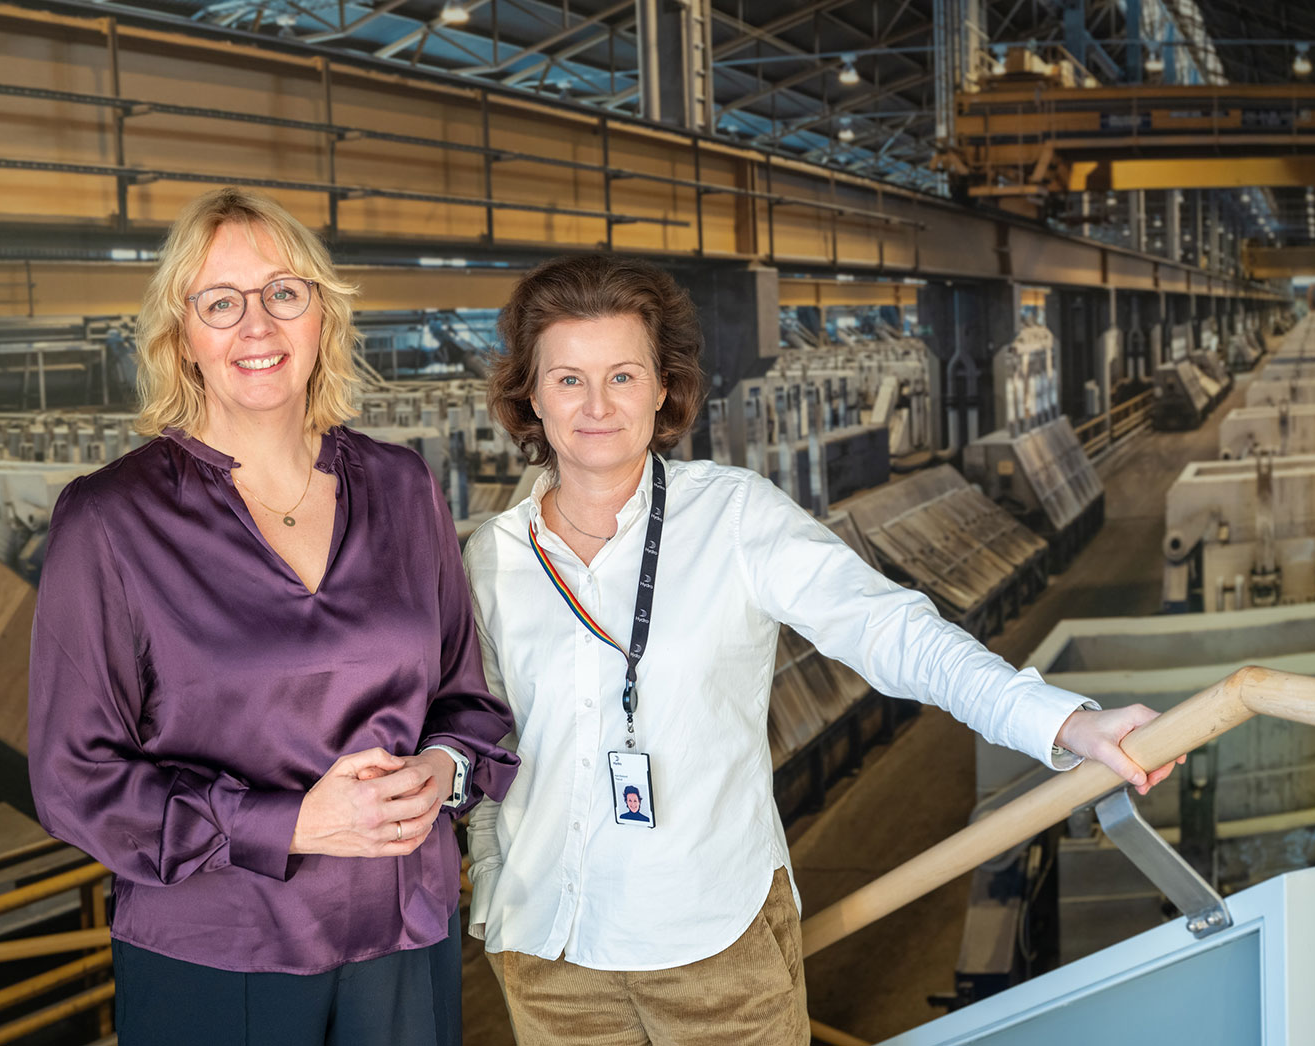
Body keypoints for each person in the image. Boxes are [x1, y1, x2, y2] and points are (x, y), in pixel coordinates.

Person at [462, 254, 1180, 1045]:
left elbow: (888, 628)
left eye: (623, 376)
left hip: (712, 946)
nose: (596, 405)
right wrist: (495, 887)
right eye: (568, 379)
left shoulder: (733, 518)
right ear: (530, 392)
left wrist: (1059, 723)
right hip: (549, 957)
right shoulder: (491, 557)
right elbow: (485, 736)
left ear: (663, 388)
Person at [27, 186, 518, 1046]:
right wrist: (293, 822)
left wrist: (444, 770)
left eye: (284, 293)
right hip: (220, 952)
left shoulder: (402, 488)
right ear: (183, 338)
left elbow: (466, 703)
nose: (257, 325)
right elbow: (75, 780)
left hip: (406, 937)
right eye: (221, 302)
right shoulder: (110, 519)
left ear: (320, 316)